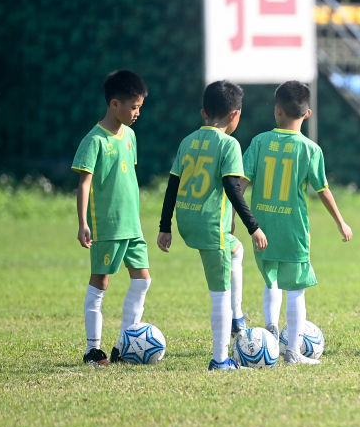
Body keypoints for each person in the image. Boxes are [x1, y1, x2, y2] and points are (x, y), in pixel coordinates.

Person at [157, 80, 267, 370]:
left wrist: (165, 226)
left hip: (186, 221)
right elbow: (233, 189)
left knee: (236, 250)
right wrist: (254, 226)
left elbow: (172, 185)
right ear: (235, 115)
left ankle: (237, 317)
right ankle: (220, 359)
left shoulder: (187, 141)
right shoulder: (229, 145)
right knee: (220, 293)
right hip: (211, 227)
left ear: (203, 113)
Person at [241, 81, 352, 365]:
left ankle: (270, 333)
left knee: (271, 280)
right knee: (296, 289)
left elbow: (241, 184)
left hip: (262, 226)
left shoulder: (259, 142)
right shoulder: (310, 149)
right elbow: (323, 190)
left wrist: (234, 217)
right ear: (308, 113)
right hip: (293, 229)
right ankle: (292, 351)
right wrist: (341, 222)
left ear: (277, 110)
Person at [72, 70, 151, 365]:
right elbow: (84, 184)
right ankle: (93, 350)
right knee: (101, 282)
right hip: (107, 226)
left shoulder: (130, 135)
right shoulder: (94, 140)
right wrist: (83, 223)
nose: (137, 113)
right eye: (134, 107)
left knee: (142, 280)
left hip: (133, 226)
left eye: (140, 107)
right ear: (115, 104)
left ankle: (124, 345)